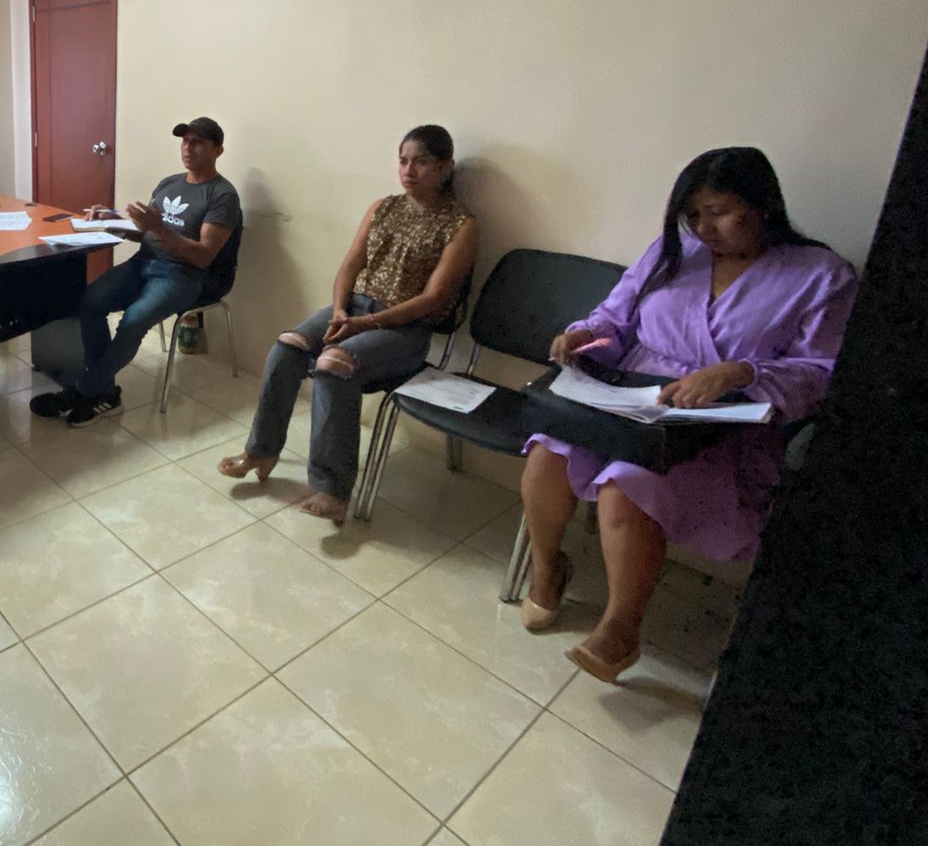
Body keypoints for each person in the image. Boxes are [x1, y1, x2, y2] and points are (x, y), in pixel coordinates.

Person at [521, 147, 857, 684]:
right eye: (693, 214)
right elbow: (615, 318)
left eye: (719, 212)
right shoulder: (672, 253)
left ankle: (621, 627)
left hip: (721, 425)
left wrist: (739, 373)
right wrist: (586, 335)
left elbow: (822, 372)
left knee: (627, 485)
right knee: (548, 453)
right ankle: (547, 569)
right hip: (630, 400)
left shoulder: (821, 275)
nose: (703, 228)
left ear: (763, 205)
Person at [217, 125, 479, 524]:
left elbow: (434, 298)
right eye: (403, 161)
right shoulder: (383, 207)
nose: (408, 171)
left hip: (405, 328)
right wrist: (341, 311)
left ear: (444, 167)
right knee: (288, 345)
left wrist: (366, 323)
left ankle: (333, 488)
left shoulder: (461, 224)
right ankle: (261, 450)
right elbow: (351, 265)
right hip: (354, 308)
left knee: (333, 364)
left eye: (422, 162)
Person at [30, 117, 242, 427]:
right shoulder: (169, 183)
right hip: (143, 263)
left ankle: (83, 391)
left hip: (182, 276)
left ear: (218, 150)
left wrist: (158, 227)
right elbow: (144, 233)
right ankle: (104, 392)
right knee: (90, 301)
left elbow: (203, 255)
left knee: (133, 321)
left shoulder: (222, 196)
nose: (188, 148)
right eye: (185, 141)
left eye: (197, 142)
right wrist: (111, 220)